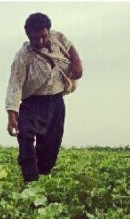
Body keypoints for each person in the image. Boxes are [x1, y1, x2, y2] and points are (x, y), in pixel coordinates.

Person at [5, 13, 83, 183]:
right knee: (25, 136)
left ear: (48, 31)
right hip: (32, 103)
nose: (40, 41)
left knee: (50, 145)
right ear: (28, 36)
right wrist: (12, 115)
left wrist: (77, 61)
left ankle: (42, 175)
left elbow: (71, 48)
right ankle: (31, 182)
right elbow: (15, 85)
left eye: (43, 36)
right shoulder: (22, 56)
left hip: (55, 102)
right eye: (35, 39)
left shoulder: (58, 38)